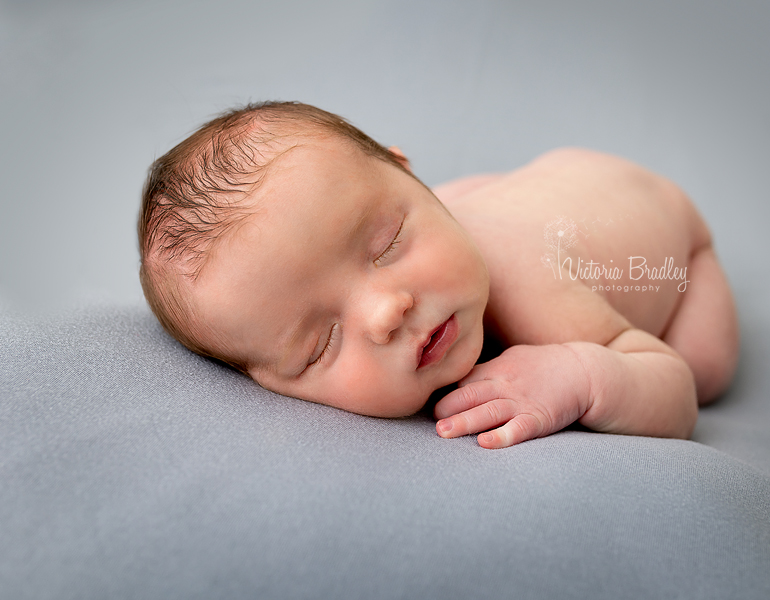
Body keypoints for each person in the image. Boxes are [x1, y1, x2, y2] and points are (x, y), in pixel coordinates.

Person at [138, 101, 739, 449]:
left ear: (411, 174)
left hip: (670, 242)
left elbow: (675, 390)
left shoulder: (529, 282)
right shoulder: (416, 235)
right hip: (539, 186)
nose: (385, 312)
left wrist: (583, 372)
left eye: (387, 244)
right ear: (267, 382)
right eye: (320, 343)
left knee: (707, 368)